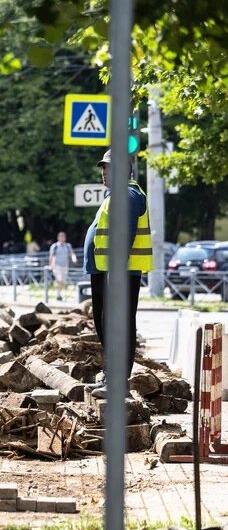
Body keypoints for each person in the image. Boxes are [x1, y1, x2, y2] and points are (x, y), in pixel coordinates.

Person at [83, 148, 152, 396]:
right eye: (103, 167)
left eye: (109, 168)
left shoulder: (128, 195)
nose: (104, 172)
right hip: (107, 271)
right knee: (107, 326)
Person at [48, 231, 77, 301]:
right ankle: (58, 295)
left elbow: (72, 253)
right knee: (60, 280)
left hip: (65, 266)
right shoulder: (55, 246)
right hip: (56, 266)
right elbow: (51, 256)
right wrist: (50, 265)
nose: (62, 238)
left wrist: (74, 259)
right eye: (61, 237)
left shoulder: (68, 246)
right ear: (58, 238)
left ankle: (59, 294)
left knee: (62, 281)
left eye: (63, 236)